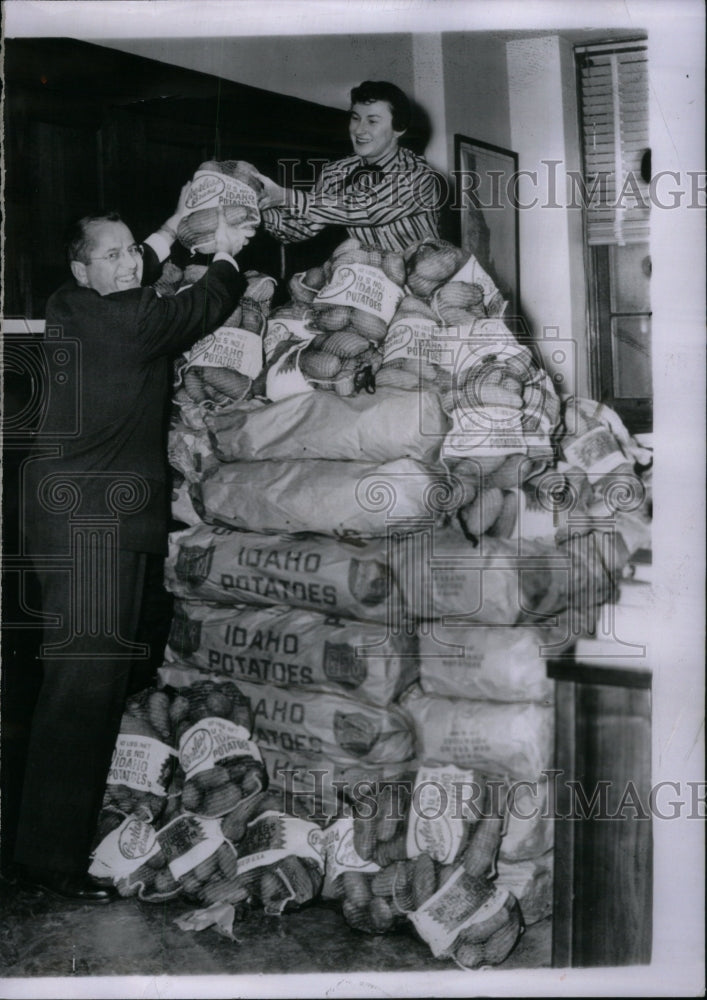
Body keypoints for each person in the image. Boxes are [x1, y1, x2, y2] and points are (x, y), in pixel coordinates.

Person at [13, 185, 256, 902]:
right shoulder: (134, 320)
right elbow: (199, 305)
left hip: (63, 512)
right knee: (84, 689)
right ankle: (46, 861)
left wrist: (164, 231)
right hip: (93, 524)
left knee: (72, 684)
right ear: (83, 269)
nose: (128, 264)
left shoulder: (69, 302)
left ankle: (43, 837)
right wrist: (223, 255)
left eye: (130, 252)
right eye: (109, 257)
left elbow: (136, 266)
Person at [257, 80, 441, 251]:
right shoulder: (334, 173)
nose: (359, 130)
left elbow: (367, 209)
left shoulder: (419, 175)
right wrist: (257, 209)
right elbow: (302, 228)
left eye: (372, 121)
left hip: (425, 279)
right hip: (372, 279)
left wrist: (286, 197)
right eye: (355, 118)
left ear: (398, 129)